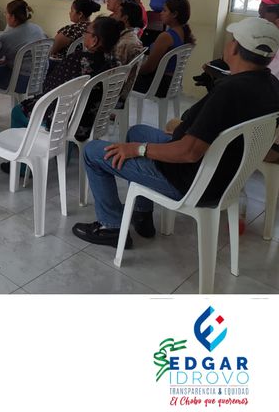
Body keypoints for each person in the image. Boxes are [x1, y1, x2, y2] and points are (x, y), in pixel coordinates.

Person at [73, 16, 279, 249]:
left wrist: (139, 150)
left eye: (231, 40)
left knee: (93, 151)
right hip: (222, 172)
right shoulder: (271, 85)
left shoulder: (229, 92)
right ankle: (141, 214)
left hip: (190, 179)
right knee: (137, 131)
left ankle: (110, 226)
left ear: (235, 48)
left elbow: (189, 152)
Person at [1, 16, 121, 178]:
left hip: (66, 123)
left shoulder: (77, 60)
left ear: (95, 40)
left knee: (18, 111)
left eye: (87, 32)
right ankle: (64, 154)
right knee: (69, 106)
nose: (84, 35)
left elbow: (49, 89)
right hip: (91, 122)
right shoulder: (115, 65)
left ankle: (21, 166)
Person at [133, 0, 195, 97]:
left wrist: (133, 71)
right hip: (173, 83)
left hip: (159, 84)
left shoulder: (166, 37)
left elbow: (149, 68)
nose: (161, 13)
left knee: (120, 81)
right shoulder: (183, 33)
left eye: (165, 10)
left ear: (174, 14)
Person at [0, 0, 47, 93]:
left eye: (6, 13)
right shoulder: (37, 28)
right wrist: (9, 60)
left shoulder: (7, 37)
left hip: (20, 81)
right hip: (39, 78)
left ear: (13, 17)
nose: (5, 15)